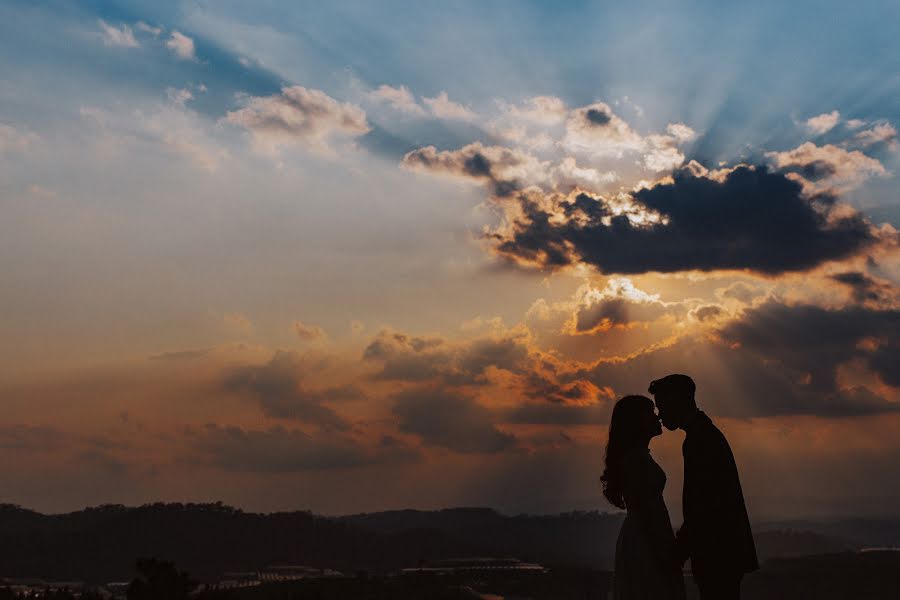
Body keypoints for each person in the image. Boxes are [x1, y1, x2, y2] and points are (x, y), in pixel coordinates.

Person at [649, 374, 758, 600]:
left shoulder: (699, 440)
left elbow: (702, 506)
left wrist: (677, 554)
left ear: (678, 400)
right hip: (722, 551)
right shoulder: (704, 434)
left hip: (717, 553)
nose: (660, 415)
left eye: (662, 406)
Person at [602, 395, 686, 600]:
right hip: (646, 540)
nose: (657, 417)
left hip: (646, 537)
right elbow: (644, 510)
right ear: (637, 421)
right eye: (650, 413)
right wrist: (661, 551)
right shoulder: (636, 459)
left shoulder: (638, 456)